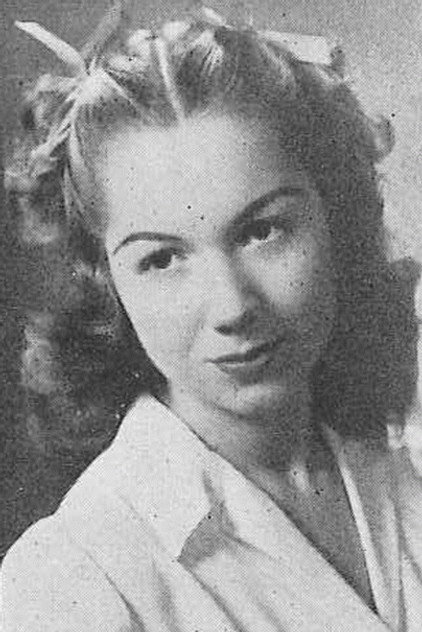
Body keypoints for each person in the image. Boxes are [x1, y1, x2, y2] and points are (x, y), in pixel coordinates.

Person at [1, 4, 421, 631]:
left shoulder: (401, 463)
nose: (233, 306)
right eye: (162, 259)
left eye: (262, 230)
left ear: (333, 217)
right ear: (107, 280)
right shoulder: (75, 579)